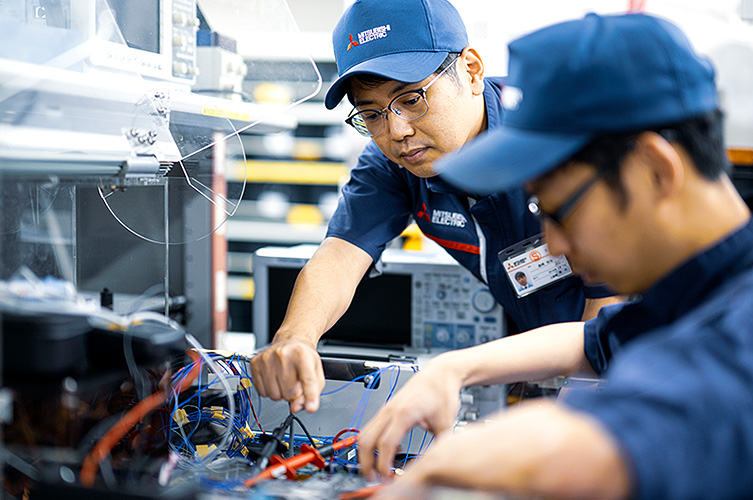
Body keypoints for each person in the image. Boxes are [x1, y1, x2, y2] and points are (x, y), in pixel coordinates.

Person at [358, 12, 753, 500]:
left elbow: (631, 439)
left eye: (560, 210)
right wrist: (451, 369)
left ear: (655, 170)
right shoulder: (692, 292)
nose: (556, 244)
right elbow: (590, 340)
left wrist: (471, 461)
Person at [248, 0, 618, 414]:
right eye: (371, 114)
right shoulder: (396, 166)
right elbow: (339, 255)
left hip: (634, 361)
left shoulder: (550, 139)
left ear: (471, 70)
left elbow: (609, 310)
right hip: (548, 358)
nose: (398, 131)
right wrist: (294, 339)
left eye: (411, 99)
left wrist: (567, 423)